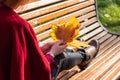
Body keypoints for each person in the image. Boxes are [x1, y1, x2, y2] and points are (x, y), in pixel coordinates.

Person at [0, 0, 99, 80]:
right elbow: (38, 73)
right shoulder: (16, 26)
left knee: (46, 47)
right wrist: (51, 54)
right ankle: (85, 56)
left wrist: (37, 50)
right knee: (59, 58)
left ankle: (80, 54)